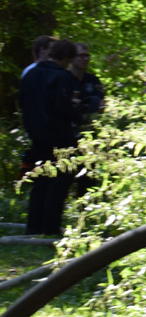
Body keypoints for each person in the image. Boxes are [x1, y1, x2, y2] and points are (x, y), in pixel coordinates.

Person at [19, 39, 83, 236]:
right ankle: (50, 227)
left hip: (36, 134)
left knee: (40, 180)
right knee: (60, 181)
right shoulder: (61, 77)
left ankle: (34, 226)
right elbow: (62, 108)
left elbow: (22, 103)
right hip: (59, 136)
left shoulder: (30, 74)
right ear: (66, 58)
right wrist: (77, 109)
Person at [66, 42, 107, 197]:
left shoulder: (93, 80)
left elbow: (102, 105)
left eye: (87, 56)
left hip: (89, 135)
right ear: (71, 58)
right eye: (81, 55)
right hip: (67, 134)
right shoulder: (64, 78)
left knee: (88, 176)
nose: (85, 59)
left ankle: (86, 210)